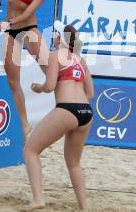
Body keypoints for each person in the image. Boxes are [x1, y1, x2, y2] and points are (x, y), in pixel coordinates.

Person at [0, 0, 60, 140]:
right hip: (11, 31)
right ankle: (25, 124)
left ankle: (53, 92)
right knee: (12, 79)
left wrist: (10, 22)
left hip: (27, 28)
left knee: (49, 70)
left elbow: (28, 13)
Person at [26, 24, 94, 210]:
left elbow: (49, 86)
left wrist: (37, 88)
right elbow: (90, 92)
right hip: (86, 112)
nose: (54, 37)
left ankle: (38, 198)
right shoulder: (81, 60)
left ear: (60, 39)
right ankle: (84, 206)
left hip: (67, 108)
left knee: (31, 150)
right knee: (74, 163)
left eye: (56, 35)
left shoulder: (56, 56)